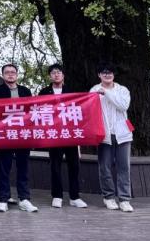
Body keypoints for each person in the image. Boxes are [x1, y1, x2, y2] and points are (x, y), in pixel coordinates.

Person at [39, 64, 88, 209]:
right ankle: (57, 196)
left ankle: (74, 196)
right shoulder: (44, 92)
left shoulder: (71, 91)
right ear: (50, 76)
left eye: (59, 72)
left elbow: (81, 109)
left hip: (70, 133)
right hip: (53, 134)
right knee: (55, 165)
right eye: (53, 73)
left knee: (74, 165)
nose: (56, 75)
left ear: (63, 75)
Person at [0, 64, 38, 213]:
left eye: (13, 72)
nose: (10, 74)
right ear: (3, 75)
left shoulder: (25, 91)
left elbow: (31, 112)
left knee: (23, 168)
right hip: (4, 135)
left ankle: (24, 199)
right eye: (7, 72)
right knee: (3, 168)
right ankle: (3, 199)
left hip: (23, 134)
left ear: (17, 74)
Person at [91, 62, 134, 212]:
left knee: (124, 167)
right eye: (104, 72)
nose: (107, 75)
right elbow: (90, 109)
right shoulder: (94, 90)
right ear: (99, 75)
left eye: (110, 72)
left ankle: (124, 199)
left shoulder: (122, 90)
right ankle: (108, 197)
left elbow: (123, 106)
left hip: (123, 134)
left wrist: (107, 93)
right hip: (104, 134)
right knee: (105, 167)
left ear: (114, 74)